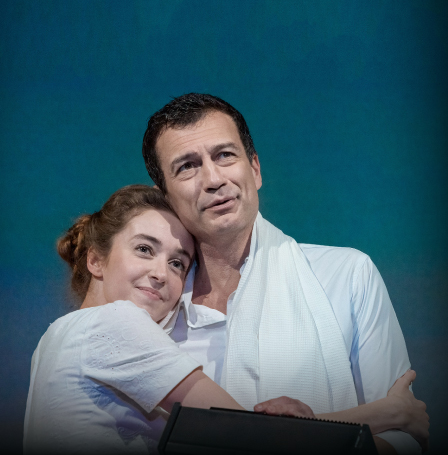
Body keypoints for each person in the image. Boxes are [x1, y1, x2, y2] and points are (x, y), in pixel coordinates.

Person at [142, 93, 430, 454]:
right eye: (187, 166)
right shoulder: (153, 313)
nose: (213, 179)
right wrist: (307, 434)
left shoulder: (346, 276)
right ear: (165, 197)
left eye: (225, 155)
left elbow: (405, 436)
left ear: (255, 169)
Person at [23, 185, 247, 455]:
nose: (161, 274)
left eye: (177, 263)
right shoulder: (115, 321)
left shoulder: (54, 336)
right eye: (144, 249)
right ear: (95, 260)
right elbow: (239, 427)